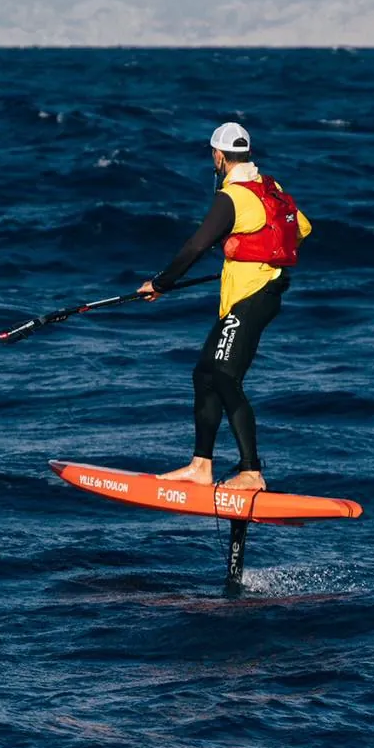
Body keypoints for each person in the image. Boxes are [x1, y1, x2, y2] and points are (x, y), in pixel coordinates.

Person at [137, 122, 311, 490]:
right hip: (261, 291)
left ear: (218, 156)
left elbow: (195, 247)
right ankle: (201, 466)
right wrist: (257, 255)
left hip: (250, 298)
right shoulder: (270, 188)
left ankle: (251, 471)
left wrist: (161, 284)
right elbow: (301, 230)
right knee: (205, 374)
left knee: (223, 376)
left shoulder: (230, 197)